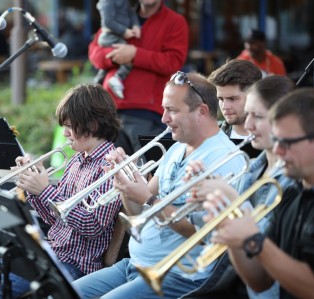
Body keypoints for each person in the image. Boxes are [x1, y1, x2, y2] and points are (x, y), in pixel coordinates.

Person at [73, 72, 246, 299]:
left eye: (172, 110)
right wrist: (126, 184)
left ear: (201, 112)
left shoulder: (224, 158)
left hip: (177, 276)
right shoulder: (177, 147)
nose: (163, 118)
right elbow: (139, 213)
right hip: (135, 265)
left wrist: (148, 198)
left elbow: (204, 233)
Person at [0, 84, 123, 298]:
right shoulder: (76, 160)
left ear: (93, 124)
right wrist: (32, 188)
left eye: (70, 126)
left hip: (76, 264)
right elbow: (55, 220)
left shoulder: (111, 166)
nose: (65, 133)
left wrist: (44, 191)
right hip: (50, 252)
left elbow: (92, 226)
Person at [181, 75, 298, 299]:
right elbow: (212, 237)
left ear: (283, 121)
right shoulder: (252, 169)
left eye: (258, 116)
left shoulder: (294, 180)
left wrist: (231, 200)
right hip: (226, 278)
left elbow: (265, 245)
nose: (248, 124)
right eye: (248, 114)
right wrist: (202, 204)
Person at [201, 88, 314, 299]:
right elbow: (260, 282)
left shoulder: (286, 190)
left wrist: (254, 240)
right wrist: (233, 235)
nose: (278, 151)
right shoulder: (292, 195)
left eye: (287, 142)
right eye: (277, 141)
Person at [88, 0, 189, 156]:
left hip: (147, 113)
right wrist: (116, 57)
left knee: (145, 174)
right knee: (111, 174)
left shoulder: (175, 21)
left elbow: (173, 62)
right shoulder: (119, 12)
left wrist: (135, 54)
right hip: (110, 111)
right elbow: (94, 54)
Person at [93, 0, 141, 99]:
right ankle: (117, 78)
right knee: (127, 55)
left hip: (119, 36)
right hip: (110, 36)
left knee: (105, 68)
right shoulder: (107, 2)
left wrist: (136, 25)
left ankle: (97, 83)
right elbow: (108, 21)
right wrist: (124, 31)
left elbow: (131, 13)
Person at [208, 59, 262, 139]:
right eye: (221, 99)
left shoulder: (277, 139)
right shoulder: (210, 138)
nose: (225, 107)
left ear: (255, 96)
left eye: (232, 99)